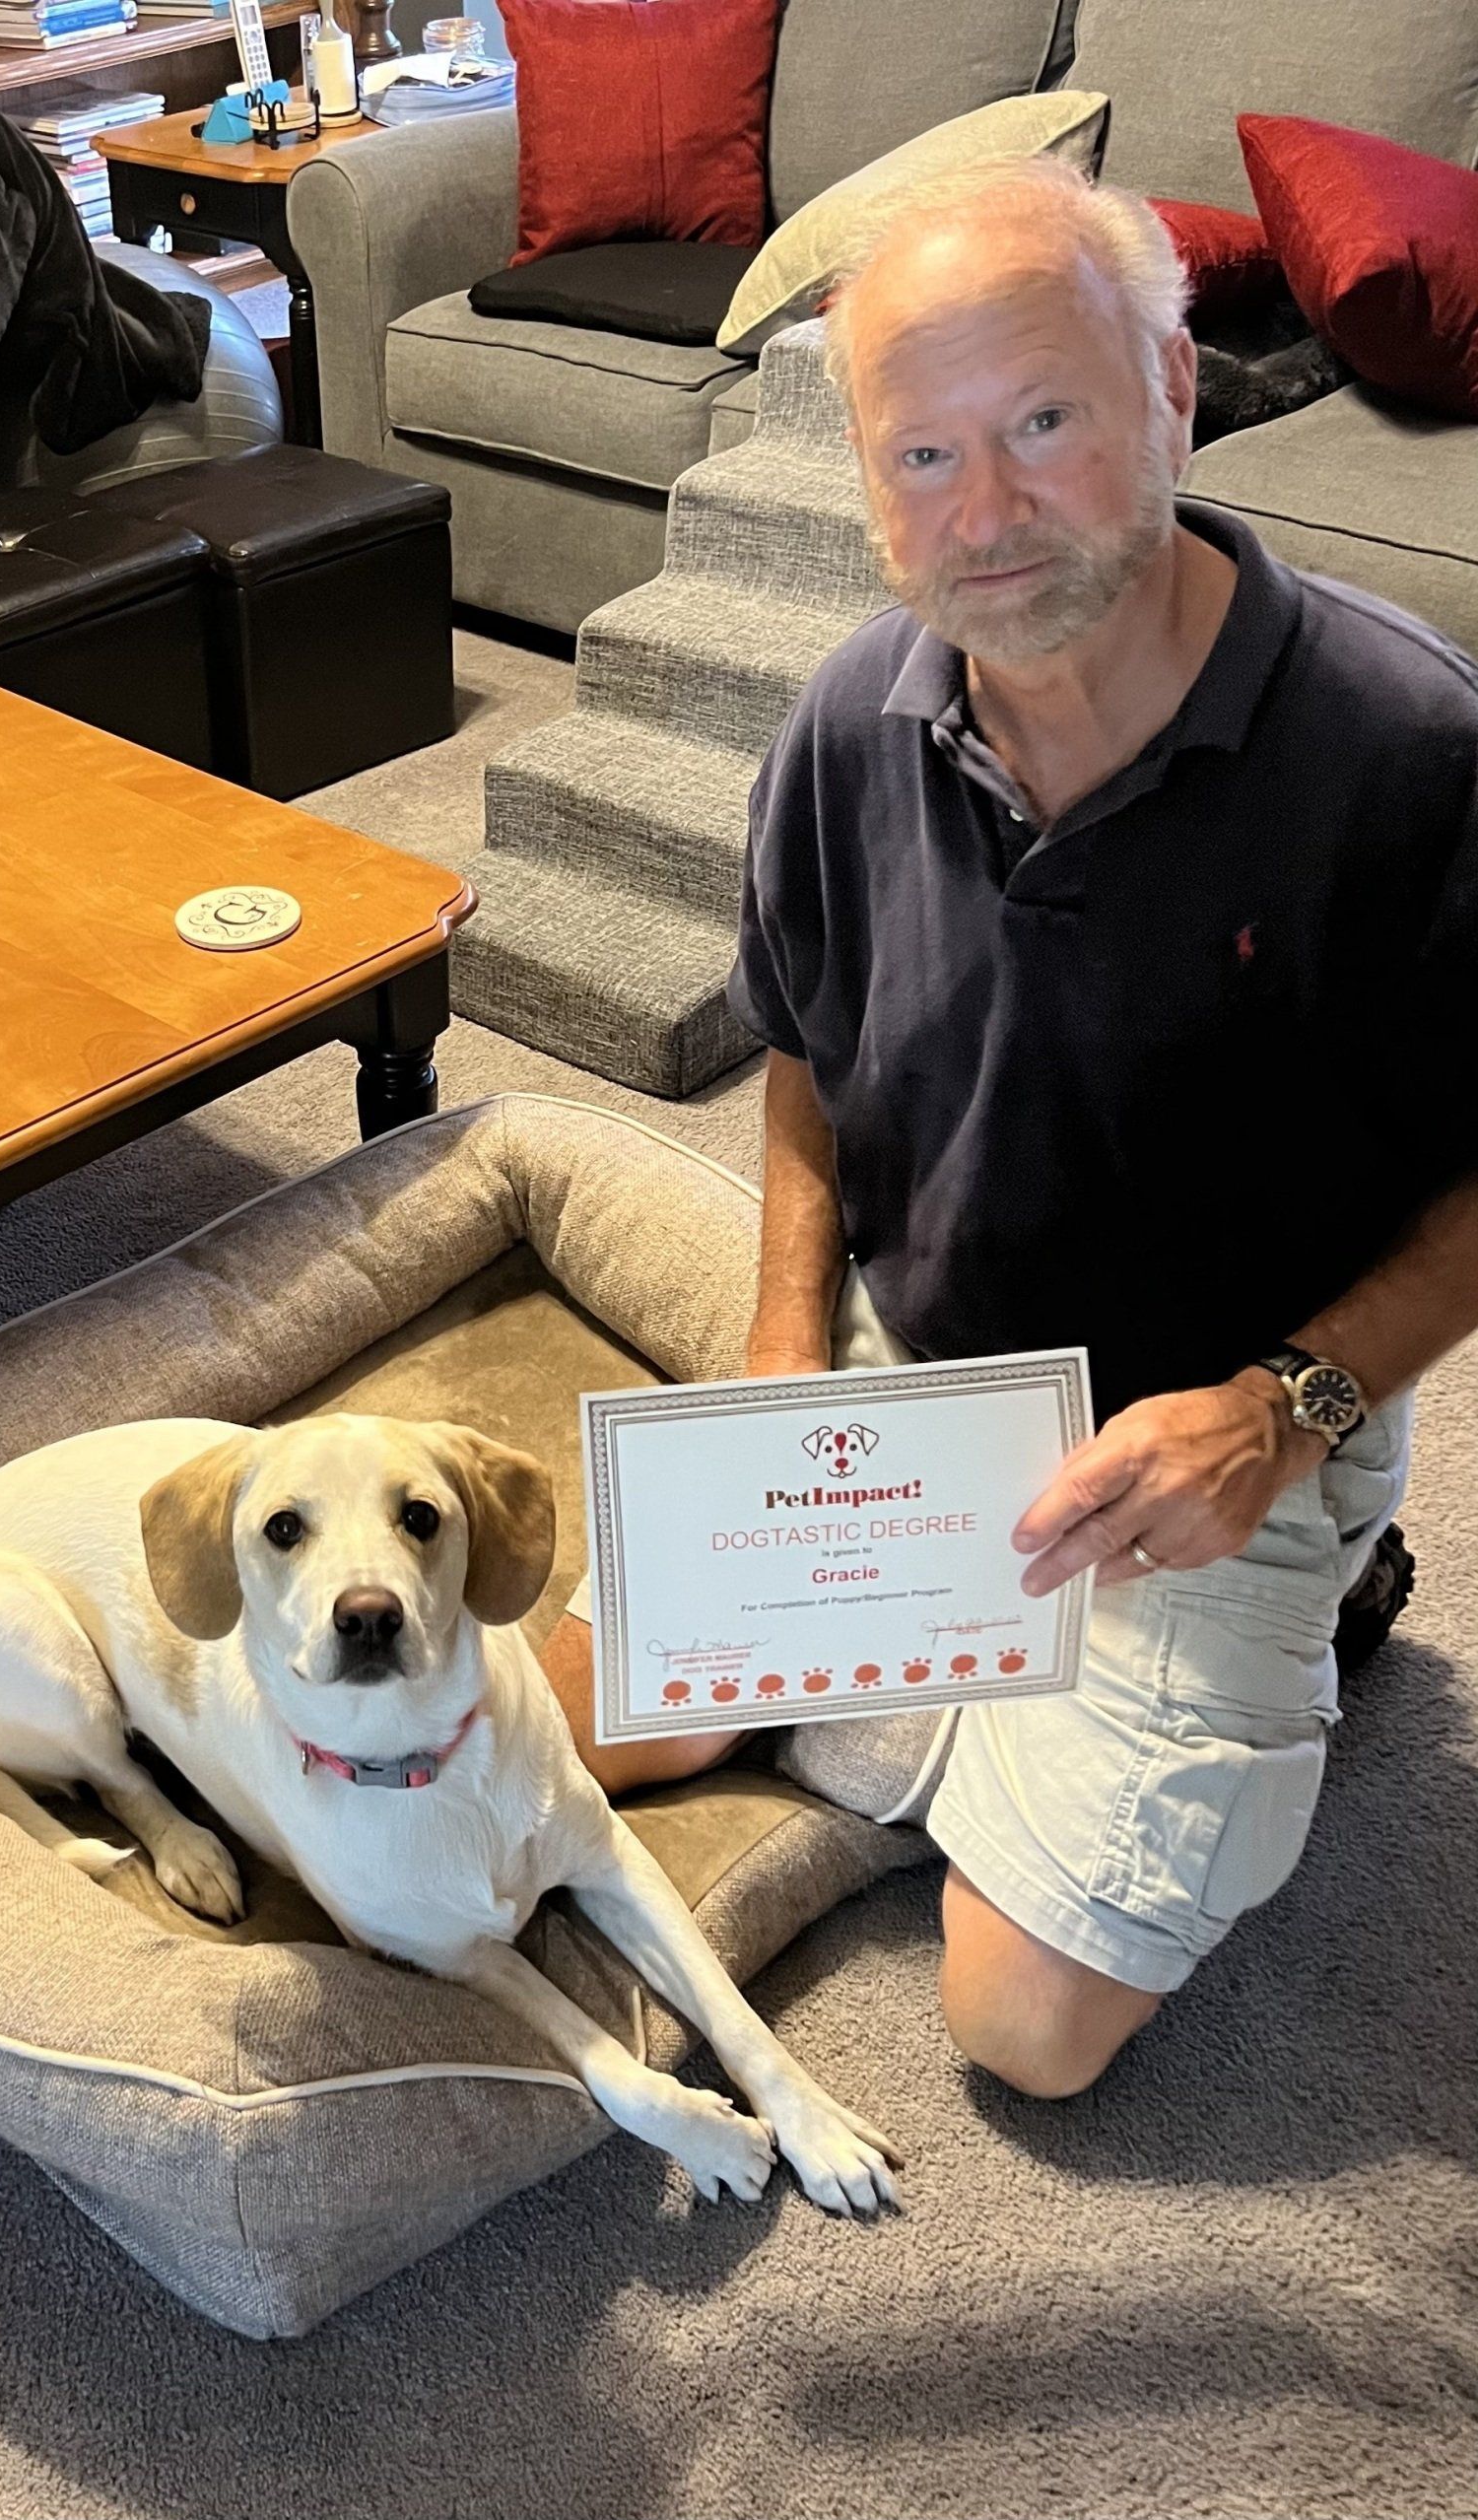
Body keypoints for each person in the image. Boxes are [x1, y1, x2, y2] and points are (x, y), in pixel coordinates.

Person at [540, 157, 1478, 2100]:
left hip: (1212, 1429)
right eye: (925, 456)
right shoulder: (839, 723)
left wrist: (1284, 1409)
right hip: (920, 1389)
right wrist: (787, 1347)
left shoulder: (1406, 752)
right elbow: (801, 1052)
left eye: (1044, 422)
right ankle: (972, 1695)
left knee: (1024, 2036)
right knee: (532, 1717)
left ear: (1174, 391)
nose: (987, 514)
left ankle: (1308, 1593)